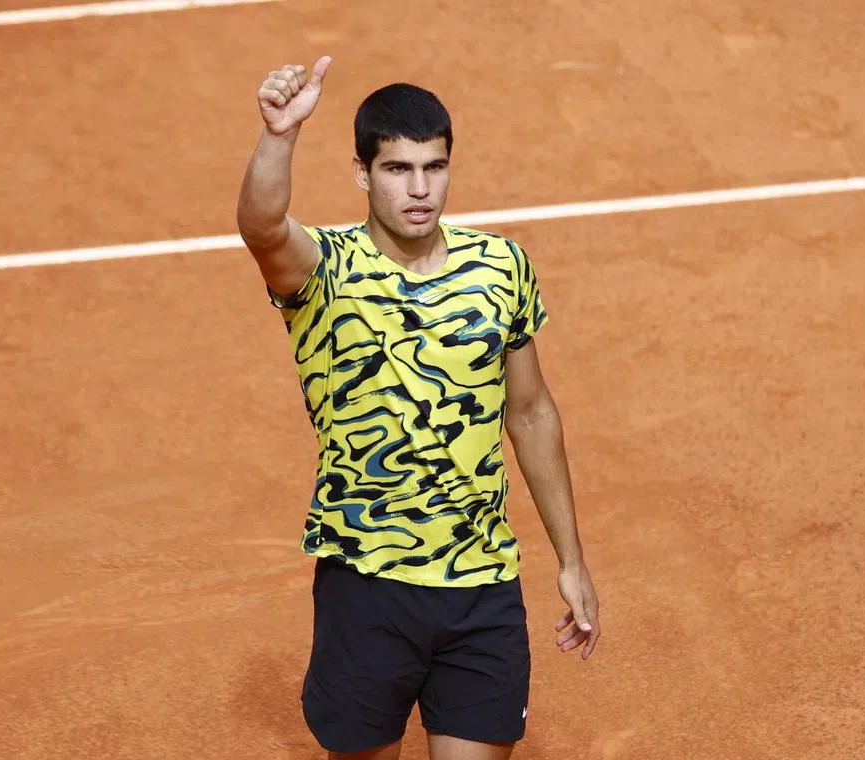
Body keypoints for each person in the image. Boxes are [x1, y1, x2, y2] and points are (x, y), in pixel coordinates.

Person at [235, 55, 601, 760]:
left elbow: (530, 413)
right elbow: (262, 226)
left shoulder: (501, 267)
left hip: (481, 584)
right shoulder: (325, 269)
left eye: (434, 167)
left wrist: (571, 561)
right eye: (398, 169)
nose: (420, 189)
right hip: (366, 585)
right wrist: (280, 135)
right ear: (362, 173)